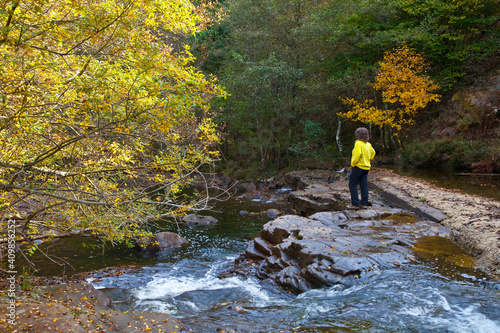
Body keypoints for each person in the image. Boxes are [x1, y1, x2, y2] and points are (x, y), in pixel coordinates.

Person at [348, 127, 376, 209]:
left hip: (358, 167)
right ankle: (364, 203)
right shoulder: (368, 144)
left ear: (358, 135)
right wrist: (368, 159)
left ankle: (355, 204)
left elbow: (357, 156)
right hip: (366, 168)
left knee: (352, 184)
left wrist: (353, 164)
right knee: (364, 185)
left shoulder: (358, 144)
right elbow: (373, 153)